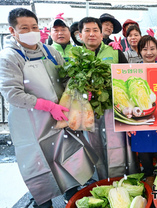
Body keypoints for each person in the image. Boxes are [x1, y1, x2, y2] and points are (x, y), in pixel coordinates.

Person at [0, 8, 97, 207]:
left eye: (34, 27)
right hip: (31, 123)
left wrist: (79, 89)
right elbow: (12, 93)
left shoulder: (49, 51)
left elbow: (65, 76)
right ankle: (42, 202)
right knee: (39, 165)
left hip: (58, 118)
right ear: (12, 30)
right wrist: (46, 105)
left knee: (66, 155)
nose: (31, 31)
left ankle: (70, 192)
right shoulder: (9, 57)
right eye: (24, 28)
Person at [77, 17, 137, 180]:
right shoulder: (74, 56)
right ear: (80, 34)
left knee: (117, 146)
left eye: (95, 30)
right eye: (87, 30)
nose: (91, 34)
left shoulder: (115, 53)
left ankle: (121, 179)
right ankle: (99, 181)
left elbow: (129, 81)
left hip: (114, 110)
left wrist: (130, 111)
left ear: (101, 33)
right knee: (92, 146)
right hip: (87, 111)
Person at [128, 35, 157, 187]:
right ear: (139, 52)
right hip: (139, 122)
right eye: (144, 49)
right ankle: (148, 182)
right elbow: (126, 99)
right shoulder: (131, 71)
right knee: (144, 158)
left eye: (152, 48)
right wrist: (126, 124)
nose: (149, 53)